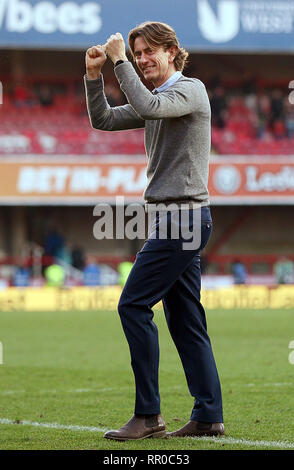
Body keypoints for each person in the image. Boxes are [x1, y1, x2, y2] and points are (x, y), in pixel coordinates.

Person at [84, 21, 224, 441]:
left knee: (132, 306)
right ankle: (208, 416)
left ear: (172, 51)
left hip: (182, 218)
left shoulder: (189, 90)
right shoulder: (157, 98)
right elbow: (104, 120)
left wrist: (119, 60)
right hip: (171, 219)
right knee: (185, 320)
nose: (142, 59)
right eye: (137, 53)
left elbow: (146, 108)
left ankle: (148, 415)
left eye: (149, 52)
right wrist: (94, 77)